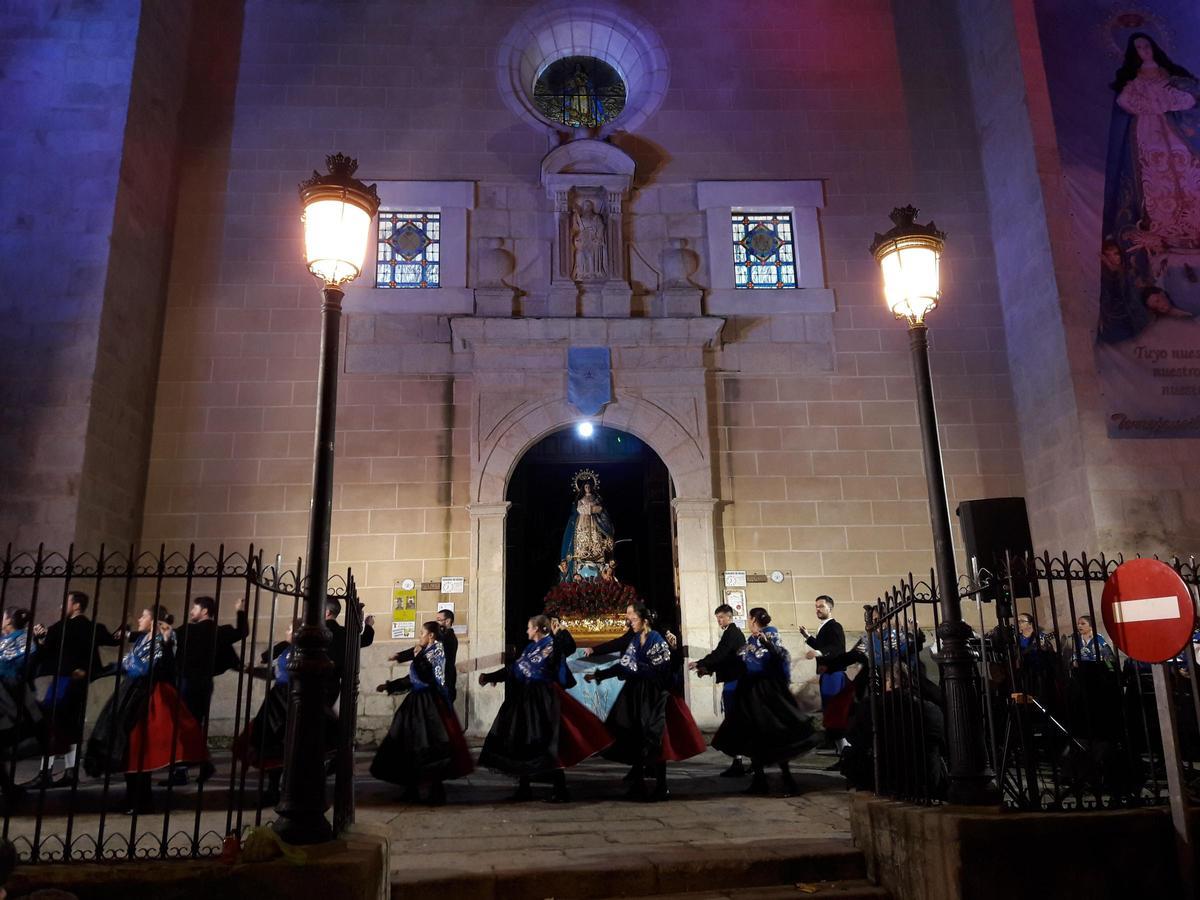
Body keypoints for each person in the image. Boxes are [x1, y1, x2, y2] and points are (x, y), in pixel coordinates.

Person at [83, 606, 209, 814]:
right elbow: (126, 664)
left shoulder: (164, 640)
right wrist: (97, 672)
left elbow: (166, 666)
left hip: (148, 694)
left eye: (143, 616)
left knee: (137, 745)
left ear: (153, 620)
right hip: (130, 692)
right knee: (125, 745)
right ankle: (132, 796)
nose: (139, 619)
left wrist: (167, 642)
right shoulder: (142, 640)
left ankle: (143, 799)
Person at [478, 615, 611, 803]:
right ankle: (524, 788)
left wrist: (560, 633)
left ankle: (560, 789)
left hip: (544, 700)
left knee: (548, 742)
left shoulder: (552, 645)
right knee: (523, 740)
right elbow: (515, 669)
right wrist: (492, 677)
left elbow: (567, 647)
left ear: (539, 629)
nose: (527, 631)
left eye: (529, 627)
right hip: (525, 699)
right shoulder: (530, 648)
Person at [585, 603, 705, 801]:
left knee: (654, 738)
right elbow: (623, 666)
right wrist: (599, 675)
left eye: (633, 620)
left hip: (653, 695)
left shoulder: (656, 640)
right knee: (633, 736)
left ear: (644, 620)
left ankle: (661, 785)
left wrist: (638, 668)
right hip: (634, 694)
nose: (630, 623)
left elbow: (663, 670)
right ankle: (638, 783)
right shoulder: (633, 640)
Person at [713, 608, 816, 796]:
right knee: (754, 736)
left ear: (753, 619)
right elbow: (739, 660)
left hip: (767, 693)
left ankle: (788, 781)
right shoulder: (750, 640)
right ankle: (759, 781)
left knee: (774, 733)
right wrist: (707, 666)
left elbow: (779, 656)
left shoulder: (770, 634)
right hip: (750, 692)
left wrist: (768, 644)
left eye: (749, 618)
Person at [28, 590, 124, 789]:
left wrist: (40, 638)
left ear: (77, 605)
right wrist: (125, 626)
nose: (62, 607)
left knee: (52, 725)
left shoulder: (60, 628)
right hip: (80, 684)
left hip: (63, 683)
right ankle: (71, 772)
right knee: (72, 726)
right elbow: (114, 639)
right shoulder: (93, 628)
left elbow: (44, 652)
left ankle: (46, 772)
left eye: (66, 603)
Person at [369, 621, 472, 805]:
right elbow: (412, 678)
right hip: (417, 700)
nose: (420, 637)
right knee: (408, 742)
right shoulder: (426, 651)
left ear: (431, 635)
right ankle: (411, 788)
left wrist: (416, 656)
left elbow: (428, 676)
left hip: (430, 703)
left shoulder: (437, 651)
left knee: (431, 743)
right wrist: (391, 685)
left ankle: (436, 790)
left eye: (422, 633)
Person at [162, 595, 247, 786]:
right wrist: (240, 610)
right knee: (194, 724)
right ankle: (201, 764)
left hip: (187, 682)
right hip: (204, 683)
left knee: (183, 725)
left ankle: (182, 770)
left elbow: (167, 639)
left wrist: (165, 628)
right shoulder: (218, 632)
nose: (192, 611)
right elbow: (242, 632)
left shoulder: (188, 630)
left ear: (205, 611)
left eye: (195, 608)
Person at [689, 603, 746, 777]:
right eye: (717, 618)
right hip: (733, 680)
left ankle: (740, 762)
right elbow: (725, 658)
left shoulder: (732, 633)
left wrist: (701, 663)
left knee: (734, 722)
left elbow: (721, 654)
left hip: (735, 683)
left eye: (721, 617)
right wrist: (708, 669)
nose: (719, 620)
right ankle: (740, 761)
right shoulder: (730, 633)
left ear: (730, 617)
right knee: (735, 722)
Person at [801, 595, 849, 753]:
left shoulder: (835, 626)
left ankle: (845, 751)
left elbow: (837, 648)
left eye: (821, 606)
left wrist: (818, 652)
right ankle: (840, 750)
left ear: (830, 608)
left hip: (834, 673)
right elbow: (823, 646)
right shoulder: (824, 627)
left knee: (834, 711)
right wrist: (808, 637)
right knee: (829, 710)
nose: (817, 609)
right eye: (816, 606)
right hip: (827, 674)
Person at [390, 608, 457, 704]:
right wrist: (400, 656)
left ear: (447, 621)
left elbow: (423, 655)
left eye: (438, 620)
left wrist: (401, 656)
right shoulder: (440, 640)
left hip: (440, 689)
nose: (436, 623)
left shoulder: (445, 639)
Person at [560, 471, 615, 580]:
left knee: (595, 537)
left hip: (594, 523)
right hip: (582, 523)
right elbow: (579, 510)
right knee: (583, 538)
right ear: (583, 488)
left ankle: (594, 551)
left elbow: (600, 509)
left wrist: (590, 510)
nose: (587, 488)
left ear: (592, 487)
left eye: (589, 486)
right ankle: (584, 550)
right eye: (585, 486)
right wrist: (589, 509)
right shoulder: (580, 500)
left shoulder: (596, 498)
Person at [325, 597, 375, 707]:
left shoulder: (317, 631)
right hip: (334, 683)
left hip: (314, 681)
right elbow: (365, 640)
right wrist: (368, 626)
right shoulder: (344, 633)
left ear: (327, 612)